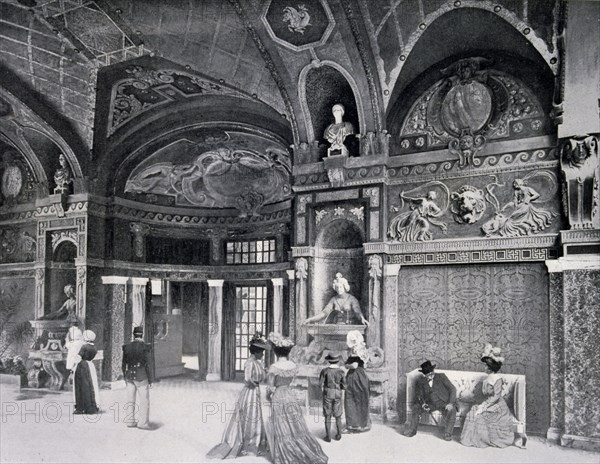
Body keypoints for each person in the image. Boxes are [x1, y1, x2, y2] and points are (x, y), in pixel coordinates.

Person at [265, 332, 328, 464]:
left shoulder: (274, 367)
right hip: (290, 395)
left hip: (278, 396)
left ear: (276, 352)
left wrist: (268, 397)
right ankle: (304, 449)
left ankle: (285, 452)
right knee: (295, 423)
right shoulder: (293, 366)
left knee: (282, 424)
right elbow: (291, 381)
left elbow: (270, 387)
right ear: (287, 352)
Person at [207, 334, 270, 459]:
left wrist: (264, 374)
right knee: (249, 415)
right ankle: (247, 442)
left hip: (255, 391)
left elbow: (261, 377)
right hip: (249, 392)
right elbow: (247, 379)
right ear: (256, 352)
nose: (262, 355)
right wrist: (255, 383)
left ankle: (254, 441)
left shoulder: (258, 363)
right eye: (261, 352)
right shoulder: (249, 363)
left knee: (255, 416)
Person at [460, 344, 517, 448]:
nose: (484, 367)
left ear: (491, 368)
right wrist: (481, 404)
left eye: (486, 365)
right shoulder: (486, 379)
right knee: (472, 411)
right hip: (488, 402)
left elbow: (496, 396)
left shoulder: (498, 379)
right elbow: (485, 395)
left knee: (480, 415)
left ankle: (485, 440)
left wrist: (484, 406)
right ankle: (470, 439)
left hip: (497, 405)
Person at [404, 360, 457, 441]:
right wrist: (423, 404)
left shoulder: (442, 376)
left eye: (432, 373)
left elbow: (453, 389)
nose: (431, 376)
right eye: (428, 375)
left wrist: (450, 403)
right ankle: (412, 430)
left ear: (433, 371)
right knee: (415, 407)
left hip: (444, 402)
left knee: (452, 410)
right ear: (424, 375)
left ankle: (447, 433)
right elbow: (419, 395)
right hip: (431, 404)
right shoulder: (421, 381)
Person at [303, 273, 369, 325]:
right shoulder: (333, 299)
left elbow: (357, 312)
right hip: (336, 326)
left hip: (350, 326)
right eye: (337, 288)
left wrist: (362, 319)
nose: (339, 289)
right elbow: (324, 313)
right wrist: (310, 319)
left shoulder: (352, 299)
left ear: (345, 287)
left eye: (340, 287)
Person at [122, 326, 153, 429]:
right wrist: (151, 379)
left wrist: (125, 376)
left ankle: (130, 422)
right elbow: (148, 364)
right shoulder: (146, 347)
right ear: (142, 334)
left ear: (133, 334)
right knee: (144, 400)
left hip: (129, 375)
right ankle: (142, 423)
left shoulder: (126, 347)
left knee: (130, 399)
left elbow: (123, 364)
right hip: (141, 375)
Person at [344, 331, 371, 433]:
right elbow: (365, 365)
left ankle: (353, 425)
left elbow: (354, 366)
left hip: (355, 376)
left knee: (352, 399)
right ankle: (361, 424)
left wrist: (347, 365)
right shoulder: (362, 350)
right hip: (361, 376)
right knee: (359, 399)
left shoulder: (356, 350)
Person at [319, 354, 346, 442]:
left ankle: (328, 437)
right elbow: (344, 386)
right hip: (337, 393)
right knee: (338, 416)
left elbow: (320, 384)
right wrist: (339, 387)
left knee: (327, 415)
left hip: (327, 393)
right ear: (337, 361)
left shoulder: (324, 371)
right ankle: (339, 435)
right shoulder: (341, 372)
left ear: (329, 361)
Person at [73, 330, 99, 414]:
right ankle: (91, 407)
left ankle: (80, 407)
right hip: (90, 366)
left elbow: (78, 358)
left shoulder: (84, 346)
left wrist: (73, 366)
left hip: (82, 366)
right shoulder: (94, 347)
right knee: (90, 386)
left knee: (80, 386)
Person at [62, 326, 84, 391]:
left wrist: (67, 338)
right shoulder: (82, 342)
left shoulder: (71, 343)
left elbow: (65, 346)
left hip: (73, 360)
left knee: (73, 372)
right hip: (79, 360)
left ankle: (73, 385)